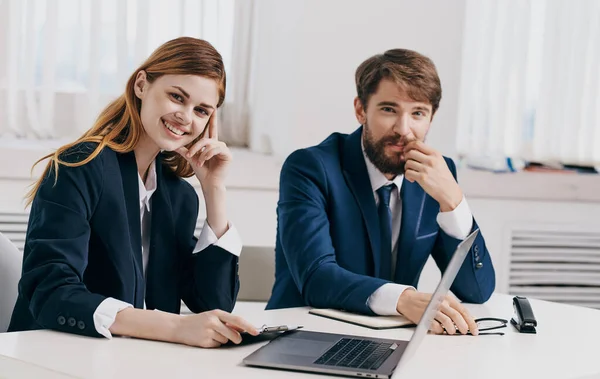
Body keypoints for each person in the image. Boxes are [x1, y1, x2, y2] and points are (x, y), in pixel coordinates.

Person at [8, 37, 259, 347]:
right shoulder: (81, 166)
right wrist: (174, 327)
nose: (186, 116)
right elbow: (50, 292)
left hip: (133, 360)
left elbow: (213, 300)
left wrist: (214, 189)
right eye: (177, 97)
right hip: (57, 353)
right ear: (142, 85)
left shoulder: (178, 196)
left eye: (202, 110)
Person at [267, 49, 495, 335]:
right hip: (306, 334)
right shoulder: (310, 167)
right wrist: (404, 299)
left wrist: (454, 201)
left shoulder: (437, 173)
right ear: (361, 109)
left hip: (392, 340)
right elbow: (316, 278)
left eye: (418, 113)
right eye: (389, 109)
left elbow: (477, 290)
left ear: (431, 118)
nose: (404, 130)